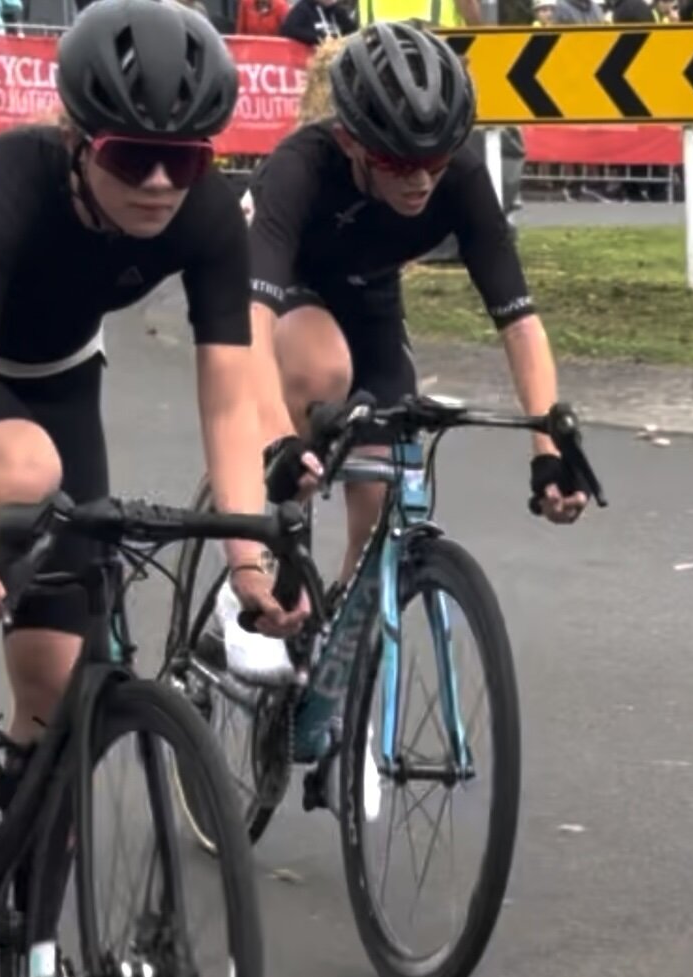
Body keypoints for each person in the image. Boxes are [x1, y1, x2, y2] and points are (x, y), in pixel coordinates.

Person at [0, 0, 309, 842]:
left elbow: (231, 398)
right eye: (133, 158)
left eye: (185, 160)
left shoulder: (206, 214)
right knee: (21, 471)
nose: (161, 184)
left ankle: (21, 916)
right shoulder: (5, 182)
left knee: (59, 690)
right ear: (79, 141)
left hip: (58, 382)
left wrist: (247, 565)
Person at [236, 20, 587, 765]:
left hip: (369, 302)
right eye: (399, 162)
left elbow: (519, 321)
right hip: (284, 293)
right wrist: (276, 440)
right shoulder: (302, 169)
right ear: (356, 142)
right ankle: (258, 568)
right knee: (323, 375)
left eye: (433, 159)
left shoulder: (456, 176)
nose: (421, 180)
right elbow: (247, 325)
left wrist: (549, 447)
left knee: (383, 496)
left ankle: (328, 662)